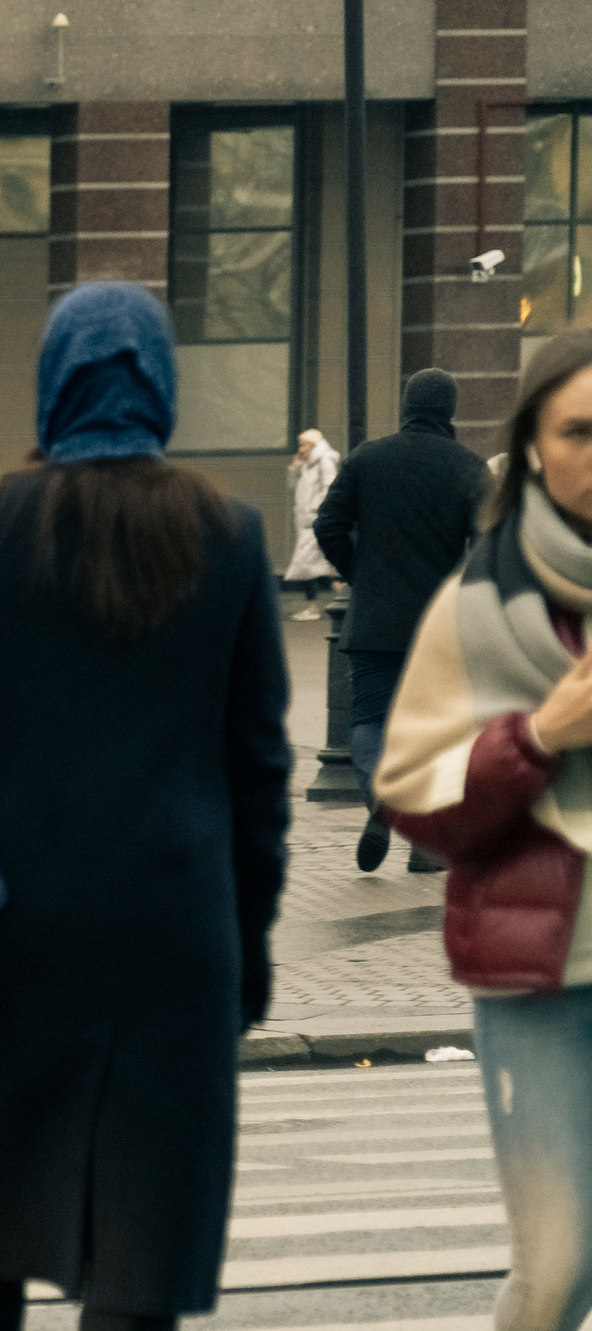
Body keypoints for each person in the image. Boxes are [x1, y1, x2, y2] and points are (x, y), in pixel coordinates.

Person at [0, 280, 290, 1331]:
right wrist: (246, 946)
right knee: (145, 1221)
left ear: (48, 382)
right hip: (176, 925)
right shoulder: (230, 533)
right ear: (160, 382)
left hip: (14, 922)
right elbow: (258, 768)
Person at [377, 330, 592, 1331]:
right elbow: (415, 801)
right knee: (555, 1273)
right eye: (578, 431)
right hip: (540, 980)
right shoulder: (475, 614)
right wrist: (537, 736)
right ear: (534, 448)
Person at [314, 368, 490, 873]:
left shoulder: (368, 458)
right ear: (450, 411)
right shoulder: (470, 468)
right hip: (439, 629)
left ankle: (382, 803)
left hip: (372, 623)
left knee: (369, 721)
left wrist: (359, 572)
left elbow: (328, 524)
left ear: (407, 405)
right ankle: (426, 847)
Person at [284, 429, 341, 621]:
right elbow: (293, 489)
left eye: (304, 444)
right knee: (315, 564)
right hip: (306, 521)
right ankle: (338, 590)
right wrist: (294, 469)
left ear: (314, 445)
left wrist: (319, 511)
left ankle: (312, 607)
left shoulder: (324, 461)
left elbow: (329, 487)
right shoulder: (307, 465)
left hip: (314, 520)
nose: (301, 449)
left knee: (305, 563)